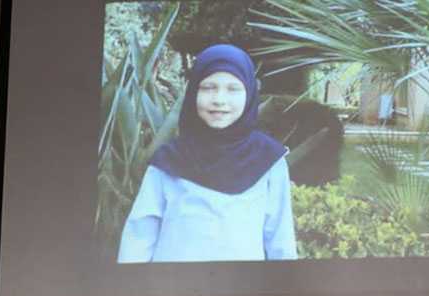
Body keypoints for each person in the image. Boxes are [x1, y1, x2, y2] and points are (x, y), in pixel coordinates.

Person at [117, 44, 298, 263]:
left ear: (250, 93)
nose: (219, 99)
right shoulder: (169, 159)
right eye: (208, 87)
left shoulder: (268, 160)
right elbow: (139, 236)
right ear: (193, 91)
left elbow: (281, 240)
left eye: (233, 89)